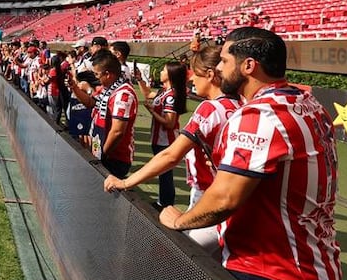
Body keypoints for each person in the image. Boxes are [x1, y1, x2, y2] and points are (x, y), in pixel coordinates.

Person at [159, 27, 340, 280]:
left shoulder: (260, 115)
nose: (217, 68)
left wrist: (180, 220)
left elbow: (225, 199)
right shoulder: (311, 105)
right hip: (312, 261)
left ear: (248, 65)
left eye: (225, 60)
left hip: (271, 267)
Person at [104, 46, 241, 247]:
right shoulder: (241, 105)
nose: (192, 79)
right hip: (228, 195)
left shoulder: (210, 108)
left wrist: (126, 182)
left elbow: (171, 155)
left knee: (188, 252)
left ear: (211, 75)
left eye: (196, 73)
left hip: (207, 193)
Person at [136, 61, 189, 208]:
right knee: (163, 173)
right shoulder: (164, 91)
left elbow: (169, 123)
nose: (160, 72)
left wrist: (152, 110)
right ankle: (164, 200)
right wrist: (140, 79)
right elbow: (147, 93)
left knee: (165, 173)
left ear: (170, 74)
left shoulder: (171, 96)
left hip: (166, 140)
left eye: (164, 70)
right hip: (159, 138)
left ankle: (165, 203)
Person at [81, 50, 139, 178]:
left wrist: (103, 153)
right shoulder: (107, 89)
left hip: (115, 157)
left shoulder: (123, 94)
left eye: (97, 74)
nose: (95, 77)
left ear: (107, 74)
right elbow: (91, 103)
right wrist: (74, 86)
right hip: (102, 149)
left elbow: (117, 131)